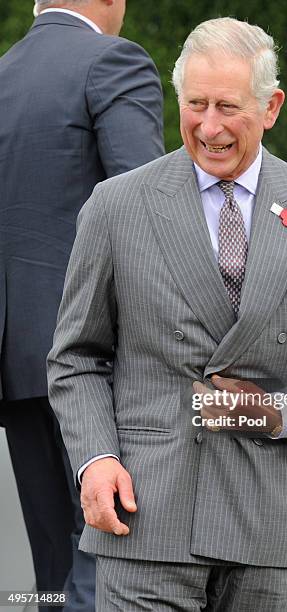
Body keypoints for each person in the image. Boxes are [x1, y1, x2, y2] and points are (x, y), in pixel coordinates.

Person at [47, 17, 287, 612]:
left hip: (268, 518)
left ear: (271, 106)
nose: (208, 127)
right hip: (147, 516)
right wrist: (95, 462)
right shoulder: (116, 205)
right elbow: (76, 358)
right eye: (195, 104)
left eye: (228, 107)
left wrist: (277, 412)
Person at [0, 0, 164, 610]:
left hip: (14, 365)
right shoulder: (112, 62)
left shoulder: (4, 74)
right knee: (111, 565)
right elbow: (147, 214)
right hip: (94, 366)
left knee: (48, 576)